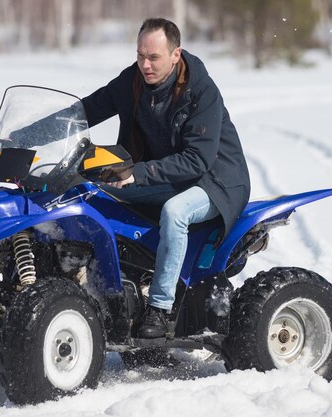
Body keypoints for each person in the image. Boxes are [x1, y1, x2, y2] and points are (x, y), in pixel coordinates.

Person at [81, 18, 251, 339]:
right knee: (92, 194)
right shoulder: (133, 80)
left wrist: (136, 172)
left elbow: (198, 159)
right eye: (140, 55)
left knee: (175, 212)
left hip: (216, 182)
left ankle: (160, 309)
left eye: (154, 57)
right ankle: (116, 293)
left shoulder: (202, 92)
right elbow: (85, 111)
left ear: (176, 55)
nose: (145, 65)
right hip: (170, 173)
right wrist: (25, 136)